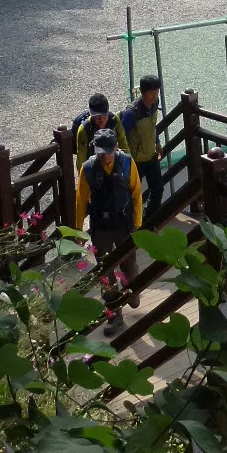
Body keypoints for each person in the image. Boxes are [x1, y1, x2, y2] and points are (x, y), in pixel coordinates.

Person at [75, 130, 142, 326]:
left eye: (107, 151)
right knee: (105, 272)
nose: (104, 156)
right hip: (101, 227)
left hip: (123, 224)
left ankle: (132, 290)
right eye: (100, 151)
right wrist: (79, 230)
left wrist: (138, 223)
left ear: (116, 148)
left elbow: (136, 193)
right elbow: (80, 201)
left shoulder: (127, 163)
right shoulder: (87, 169)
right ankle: (114, 313)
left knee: (130, 266)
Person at [121, 75, 164, 218]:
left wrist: (157, 143)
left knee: (158, 189)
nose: (154, 96)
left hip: (150, 155)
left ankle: (148, 220)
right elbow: (121, 137)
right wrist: (127, 159)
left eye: (157, 92)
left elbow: (152, 127)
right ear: (143, 92)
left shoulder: (154, 105)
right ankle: (132, 224)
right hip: (136, 161)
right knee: (132, 195)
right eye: (151, 93)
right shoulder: (131, 113)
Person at [75, 93, 128, 171]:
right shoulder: (84, 130)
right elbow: (81, 158)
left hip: (114, 165)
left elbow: (123, 143)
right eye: (96, 115)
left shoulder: (114, 120)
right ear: (91, 114)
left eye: (104, 114)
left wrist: (127, 166)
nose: (101, 119)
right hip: (94, 168)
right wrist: (83, 177)